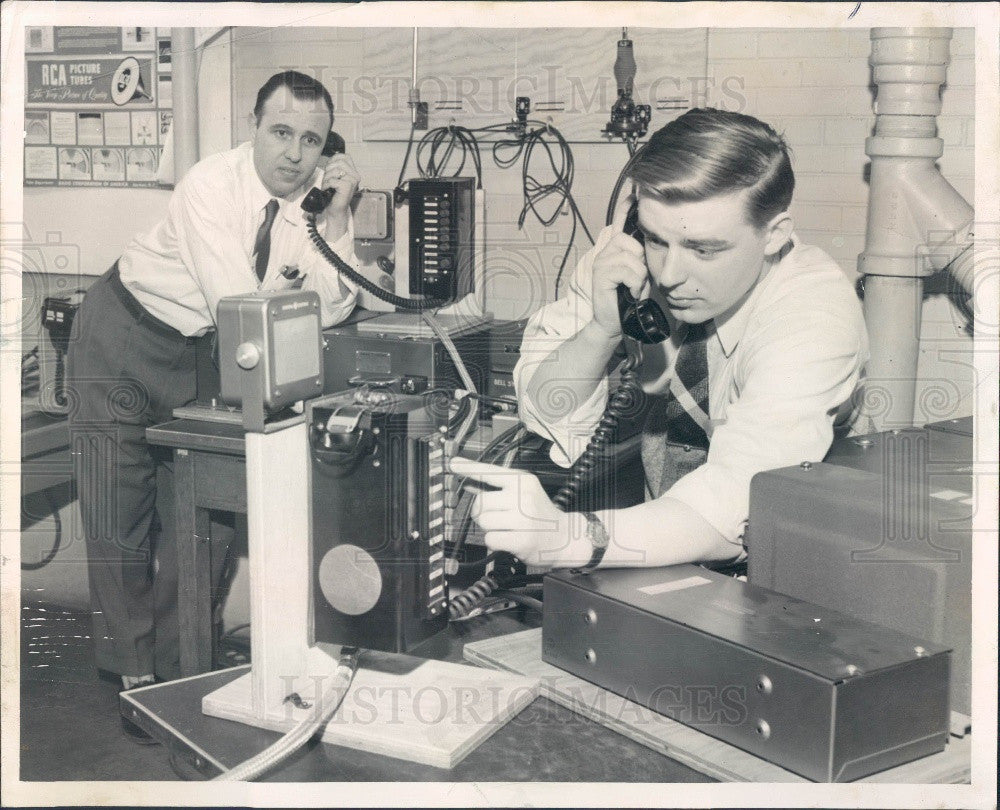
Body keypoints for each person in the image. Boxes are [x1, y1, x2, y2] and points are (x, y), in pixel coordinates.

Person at [67, 71, 361, 737]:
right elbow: (241, 304)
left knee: (208, 514)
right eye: (281, 132)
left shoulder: (305, 210)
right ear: (253, 130)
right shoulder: (209, 184)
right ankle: (136, 672)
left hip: (203, 351)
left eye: (311, 140)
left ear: (327, 150)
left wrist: (336, 217)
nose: (294, 153)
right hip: (122, 332)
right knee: (119, 514)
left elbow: (338, 306)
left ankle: (180, 662)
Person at [451, 108, 868, 573]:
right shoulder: (625, 257)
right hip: (655, 548)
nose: (669, 275)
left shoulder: (813, 313)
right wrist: (602, 330)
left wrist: (566, 538)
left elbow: (733, 501)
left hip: (791, 568)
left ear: (773, 236)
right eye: (655, 240)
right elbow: (546, 411)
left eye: (704, 250)